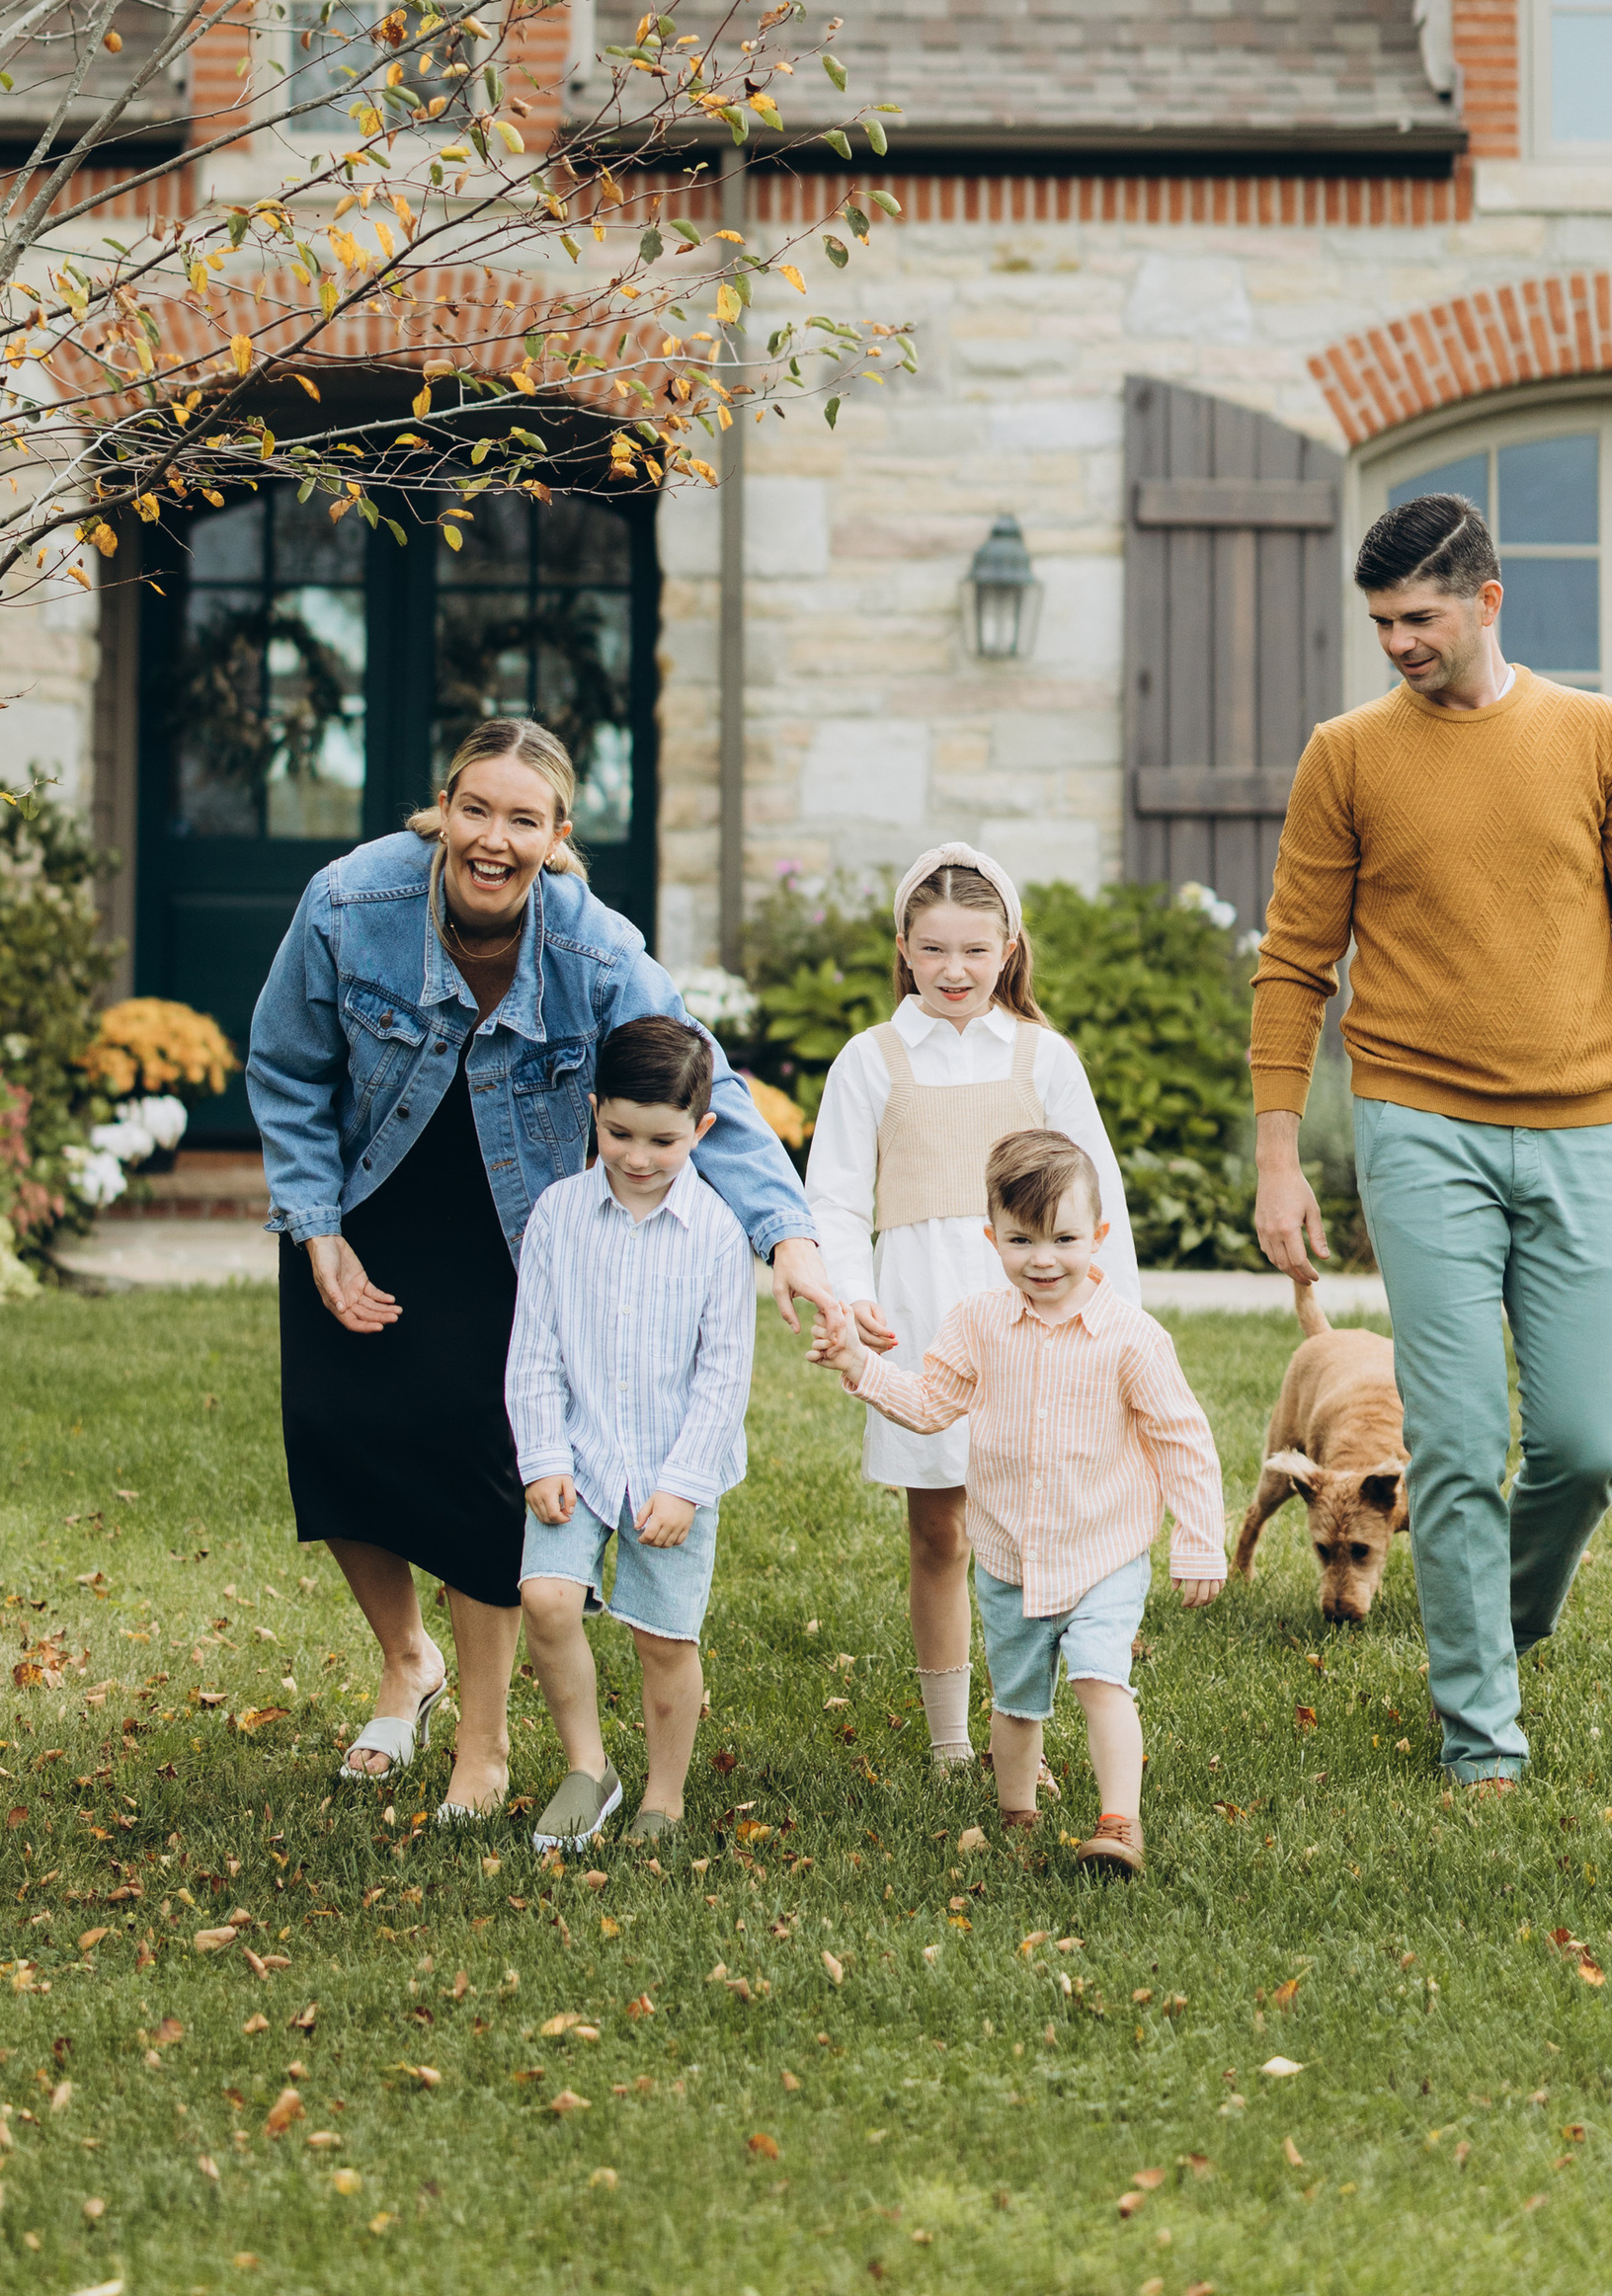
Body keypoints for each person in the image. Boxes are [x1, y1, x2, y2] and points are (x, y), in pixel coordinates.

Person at [247, 713, 838, 1820]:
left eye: (523, 820)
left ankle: (484, 1743)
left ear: (557, 839)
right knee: (335, 1439)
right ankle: (405, 1660)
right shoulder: (348, 900)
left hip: (504, 1218)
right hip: (359, 1193)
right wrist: (316, 1228)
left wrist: (785, 1236)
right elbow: (284, 1068)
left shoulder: (592, 944)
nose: (493, 839)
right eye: (474, 809)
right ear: (440, 812)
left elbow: (700, 1080)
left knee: (484, 1469)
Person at [1249, 488, 1612, 1794]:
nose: (1397, 641)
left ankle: (1497, 1622)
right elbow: (1294, 967)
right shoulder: (1347, 754)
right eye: (1381, 621)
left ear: (1486, 601)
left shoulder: (1595, 738)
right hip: (1419, 1131)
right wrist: (1280, 1156)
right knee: (1456, 1447)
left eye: (1419, 617)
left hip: (1579, 1133)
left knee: (1582, 1450)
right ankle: (1480, 1733)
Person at [805, 842, 1137, 1773]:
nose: (956, 971)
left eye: (975, 951)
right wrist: (854, 1297)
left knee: (1042, 1511)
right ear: (904, 947)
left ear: (1009, 949)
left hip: (1034, 1314)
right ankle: (953, 1736)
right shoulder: (870, 1062)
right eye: (935, 949)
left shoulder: (1043, 1058)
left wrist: (1121, 1322)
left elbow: (1097, 1193)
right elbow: (832, 1195)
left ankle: (1030, 1709)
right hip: (918, 1310)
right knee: (941, 1524)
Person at [815, 1124, 1224, 1875]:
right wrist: (857, 1364)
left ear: (1098, 1235)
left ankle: (1119, 1823)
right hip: (1007, 1558)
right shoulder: (977, 1323)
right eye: (1021, 1240)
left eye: (1064, 1239)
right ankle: (1018, 1814)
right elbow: (931, 1403)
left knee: (1103, 1676)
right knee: (1016, 1704)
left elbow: (1183, 1439)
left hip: (1104, 1551)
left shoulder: (1130, 1338)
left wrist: (1198, 1541)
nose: (1043, 1260)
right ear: (992, 1237)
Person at [508, 1016, 758, 1853]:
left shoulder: (718, 1236)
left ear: (701, 1130)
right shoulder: (558, 1215)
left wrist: (684, 1484)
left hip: (669, 1468)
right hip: (578, 1455)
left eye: (664, 1139)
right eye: (618, 1133)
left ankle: (665, 1794)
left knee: (663, 1638)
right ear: (594, 1113)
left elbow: (724, 1377)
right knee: (545, 1597)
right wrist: (542, 1455)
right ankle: (589, 1767)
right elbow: (533, 1350)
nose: (639, 1157)